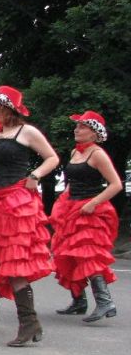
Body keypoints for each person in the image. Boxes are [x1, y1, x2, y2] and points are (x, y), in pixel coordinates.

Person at [0, 85, 59, 347]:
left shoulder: (27, 132)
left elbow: (52, 158)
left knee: (14, 262)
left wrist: (35, 175)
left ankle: (29, 323)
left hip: (16, 202)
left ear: (5, 108)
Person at [50, 111, 122, 322]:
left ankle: (105, 302)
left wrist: (93, 203)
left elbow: (116, 184)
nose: (77, 129)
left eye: (82, 127)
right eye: (77, 126)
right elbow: (72, 182)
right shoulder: (75, 151)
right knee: (67, 254)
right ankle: (79, 301)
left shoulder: (97, 154)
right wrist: (64, 199)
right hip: (72, 207)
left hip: (91, 211)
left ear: (94, 133)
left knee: (88, 255)